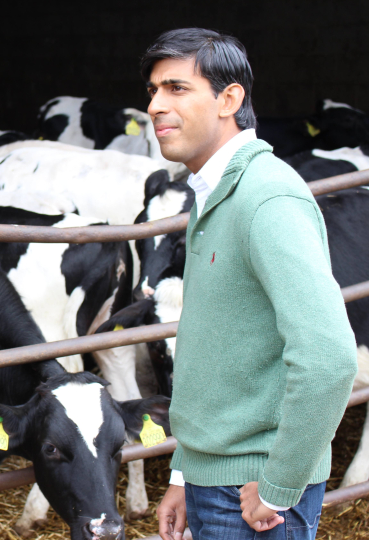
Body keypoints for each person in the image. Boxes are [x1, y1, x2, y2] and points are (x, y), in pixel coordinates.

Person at [142, 28, 358, 540]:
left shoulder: (267, 199)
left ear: (229, 99)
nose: (154, 105)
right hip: (216, 484)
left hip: (253, 499)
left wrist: (279, 484)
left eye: (176, 88)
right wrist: (185, 472)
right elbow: (216, 351)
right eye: (152, 90)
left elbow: (329, 357)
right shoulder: (214, 194)